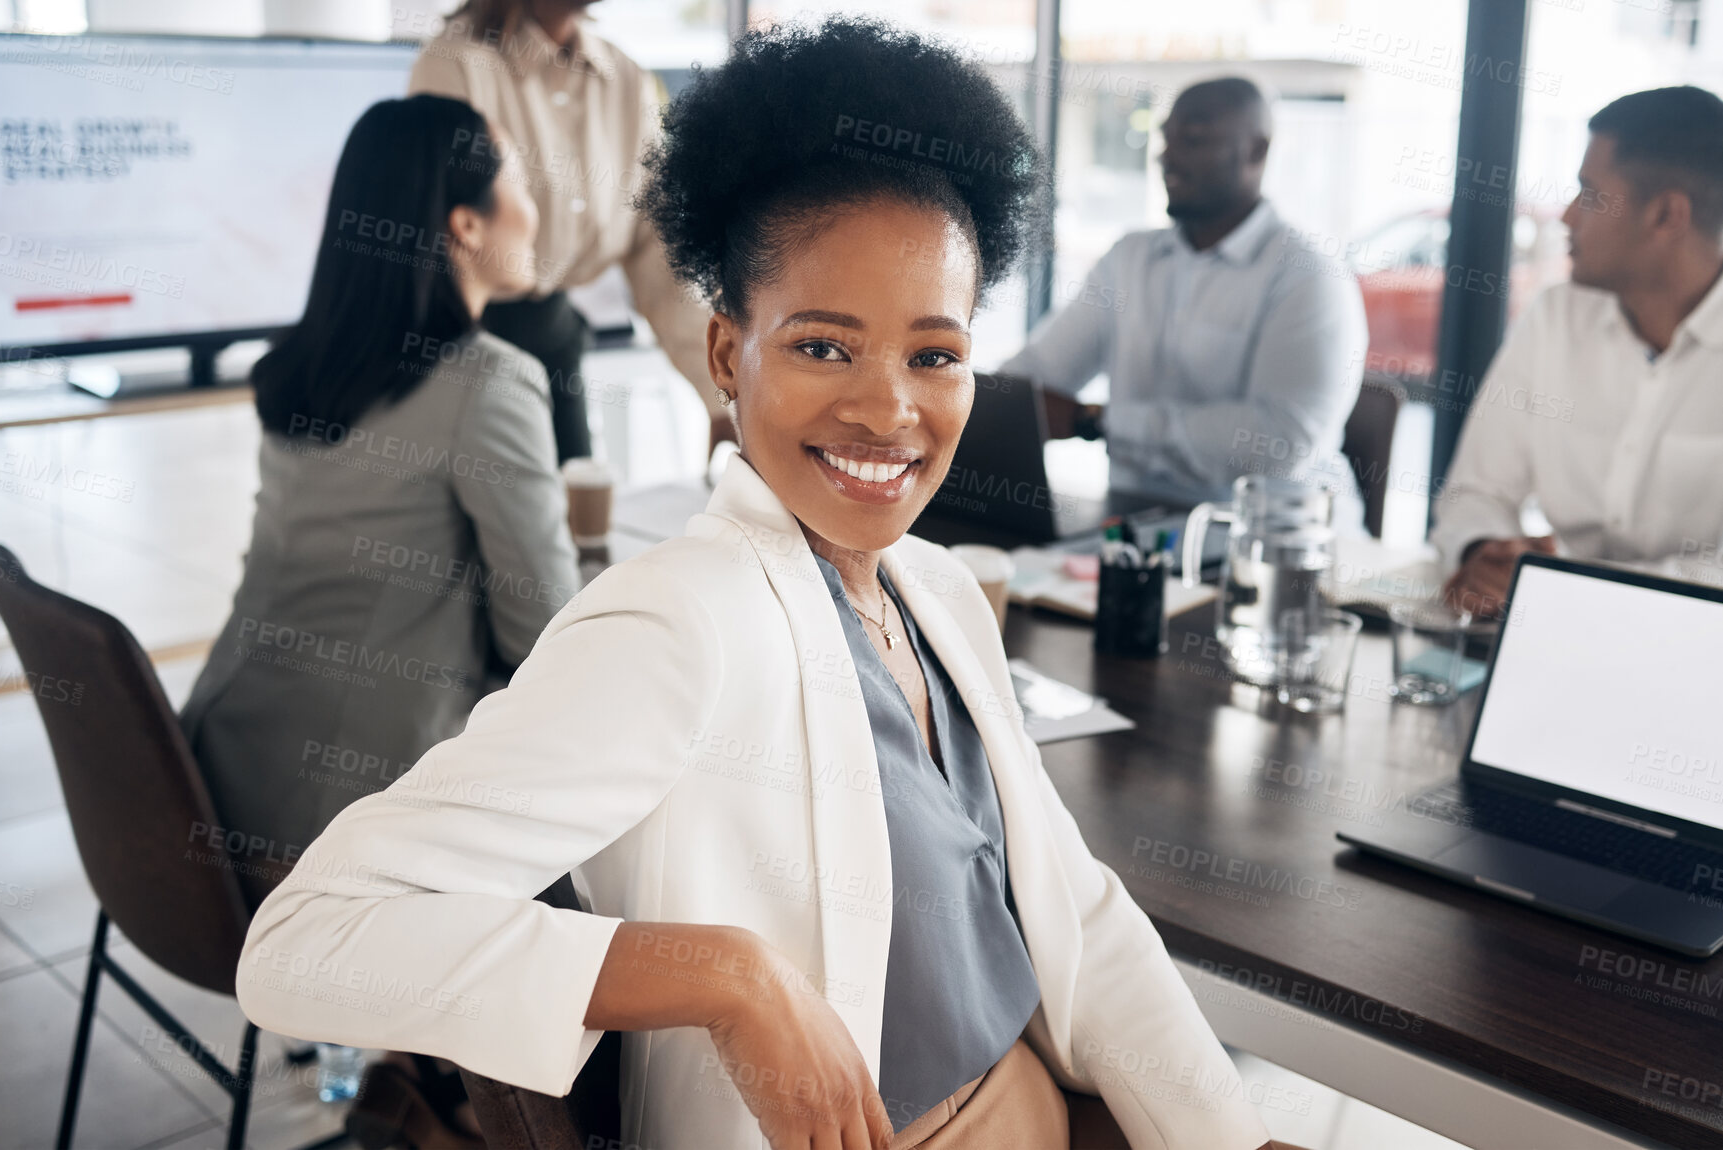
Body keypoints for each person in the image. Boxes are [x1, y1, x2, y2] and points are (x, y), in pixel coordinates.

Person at [234, 21, 1294, 1150]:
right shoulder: (677, 624)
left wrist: (1229, 1135)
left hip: (1045, 1099)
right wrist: (725, 976)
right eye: (825, 348)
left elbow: (1078, 905)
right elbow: (306, 937)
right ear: (728, 356)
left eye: (934, 355)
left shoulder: (934, 591)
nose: (890, 410)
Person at [181, 94, 578, 911]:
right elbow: (543, 638)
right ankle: (423, 1038)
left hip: (205, 790)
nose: (537, 215)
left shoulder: (299, 365)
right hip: (340, 845)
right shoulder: (489, 385)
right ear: (465, 225)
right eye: (520, 186)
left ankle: (402, 1044)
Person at [1000, 76, 1368, 510]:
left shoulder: (1309, 276)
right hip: (1133, 526)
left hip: (1267, 546)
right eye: (1165, 139)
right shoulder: (1130, 257)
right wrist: (977, 395)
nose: (1166, 157)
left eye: (1192, 140)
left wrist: (1099, 421)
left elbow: (1276, 445)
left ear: (1256, 150)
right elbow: (1040, 371)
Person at [1435, 86, 1723, 615]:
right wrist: (1486, 556)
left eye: (1588, 194)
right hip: (1549, 631)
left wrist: (1562, 586)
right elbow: (1474, 492)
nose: (1567, 217)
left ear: (1665, 215)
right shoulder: (1556, 318)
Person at [409, 0, 735, 463]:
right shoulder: (454, 66)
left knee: (572, 514)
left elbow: (660, 259)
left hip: (554, 340)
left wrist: (722, 398)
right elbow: (433, 238)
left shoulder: (625, 78)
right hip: (462, 345)